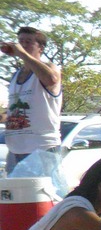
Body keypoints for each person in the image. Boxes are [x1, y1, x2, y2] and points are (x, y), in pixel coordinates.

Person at [2, 26, 62, 173]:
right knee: (15, 189)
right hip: (15, 149)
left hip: (42, 148)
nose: (22, 45)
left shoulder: (49, 68)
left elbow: (51, 79)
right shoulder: (16, 75)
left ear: (41, 48)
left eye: (28, 42)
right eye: (20, 41)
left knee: (43, 188)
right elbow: (14, 113)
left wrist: (22, 54)